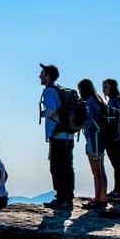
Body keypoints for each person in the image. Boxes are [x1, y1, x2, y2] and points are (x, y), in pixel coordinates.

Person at [39, 64, 74, 210]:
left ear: (48, 76)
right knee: (67, 166)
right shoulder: (59, 90)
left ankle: (61, 198)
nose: (39, 76)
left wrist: (43, 114)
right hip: (68, 134)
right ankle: (68, 196)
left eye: (42, 73)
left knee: (56, 167)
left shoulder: (48, 91)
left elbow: (52, 109)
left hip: (57, 134)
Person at [78, 79, 107, 209]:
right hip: (101, 138)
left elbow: (88, 120)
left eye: (79, 90)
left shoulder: (89, 102)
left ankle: (97, 199)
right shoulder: (99, 100)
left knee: (96, 171)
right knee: (101, 169)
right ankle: (103, 197)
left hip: (92, 137)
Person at [102, 78, 120, 202]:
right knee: (119, 165)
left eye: (106, 86)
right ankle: (118, 191)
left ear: (112, 87)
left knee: (118, 165)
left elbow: (114, 119)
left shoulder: (114, 101)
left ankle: (119, 192)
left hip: (115, 138)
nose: (104, 89)